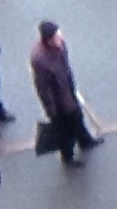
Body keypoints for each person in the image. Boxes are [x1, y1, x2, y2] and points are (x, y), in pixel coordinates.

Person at [30, 21, 104, 166]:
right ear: (48, 40)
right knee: (65, 130)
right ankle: (67, 156)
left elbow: (66, 67)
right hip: (58, 101)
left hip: (67, 91)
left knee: (77, 117)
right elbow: (43, 89)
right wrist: (52, 112)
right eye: (57, 37)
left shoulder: (60, 45)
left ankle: (85, 140)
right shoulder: (39, 59)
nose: (61, 39)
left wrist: (72, 87)